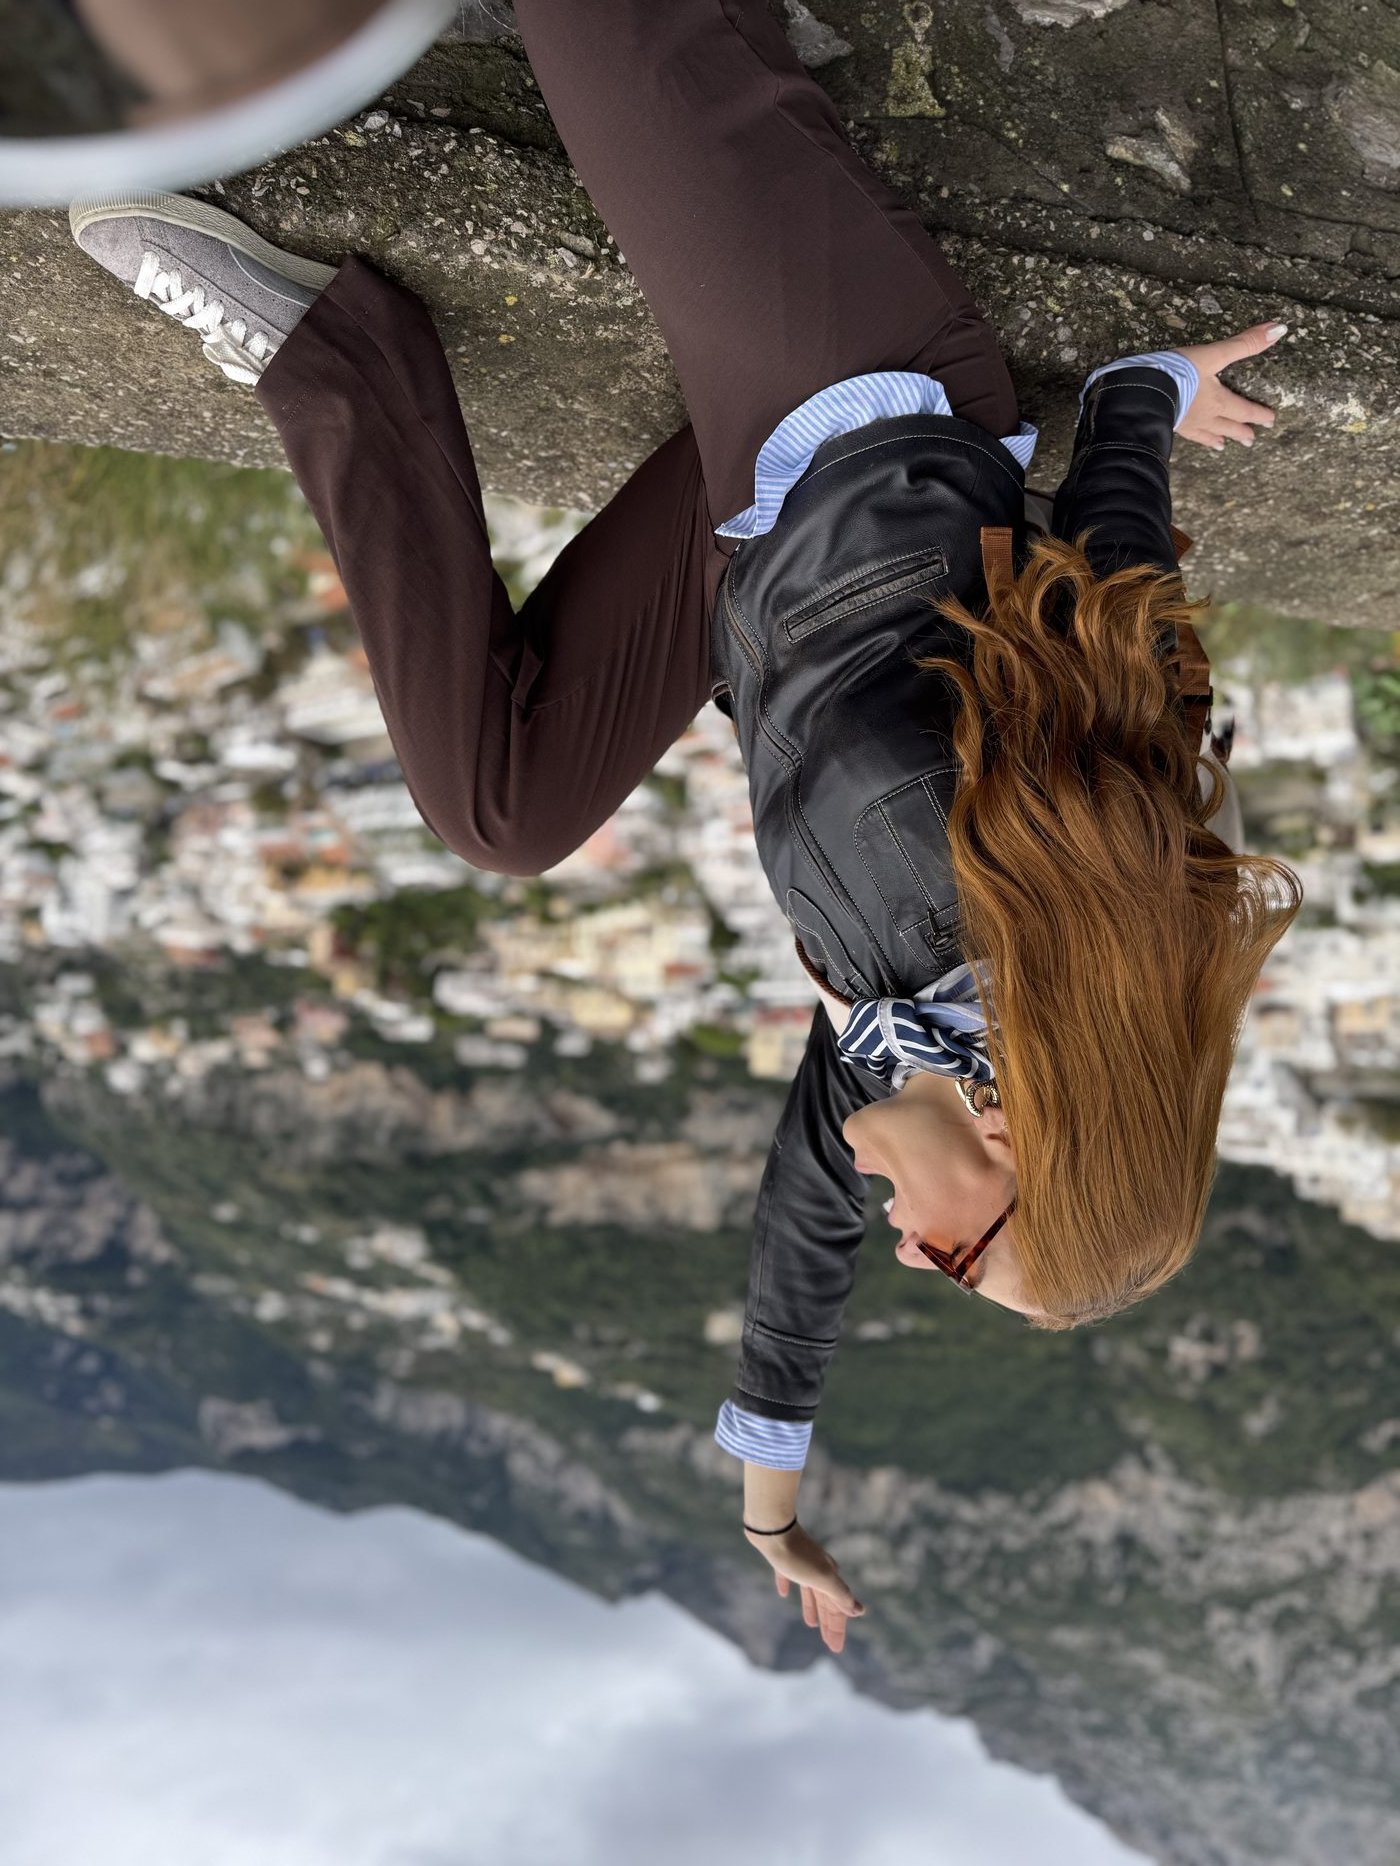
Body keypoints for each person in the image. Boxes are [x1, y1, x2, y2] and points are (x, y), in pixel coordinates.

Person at [69, 0, 1302, 1657]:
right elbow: (1116, 625)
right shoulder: (1016, 889)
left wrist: (770, 1506)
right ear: (1018, 1145)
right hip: (855, 391)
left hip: (738, 553)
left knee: (501, 812)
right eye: (953, 1259)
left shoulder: (896, 1049)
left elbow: (801, 1247)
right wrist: (1140, 399)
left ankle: (332, 360)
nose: (903, 1246)